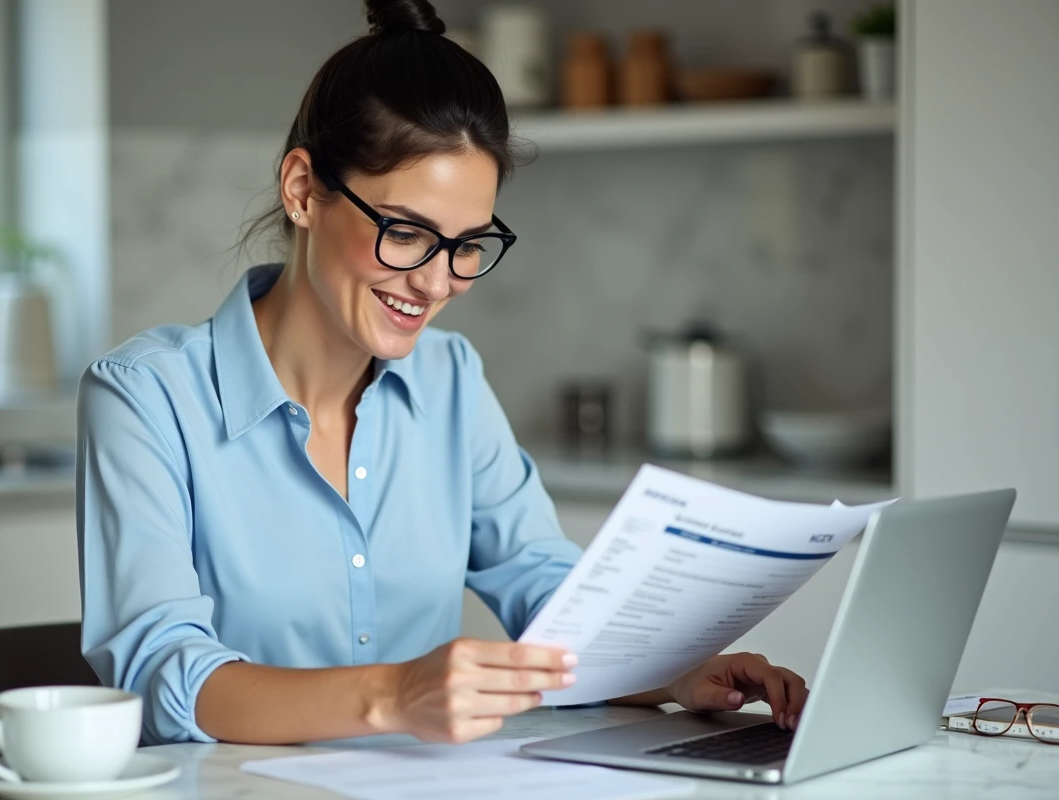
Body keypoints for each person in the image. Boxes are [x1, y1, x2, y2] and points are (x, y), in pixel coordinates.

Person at [77, 0, 808, 747]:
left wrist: (673, 671)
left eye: (467, 245)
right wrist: (391, 694)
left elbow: (546, 589)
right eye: (407, 233)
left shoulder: (451, 379)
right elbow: (159, 670)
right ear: (303, 190)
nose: (437, 282)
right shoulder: (146, 397)